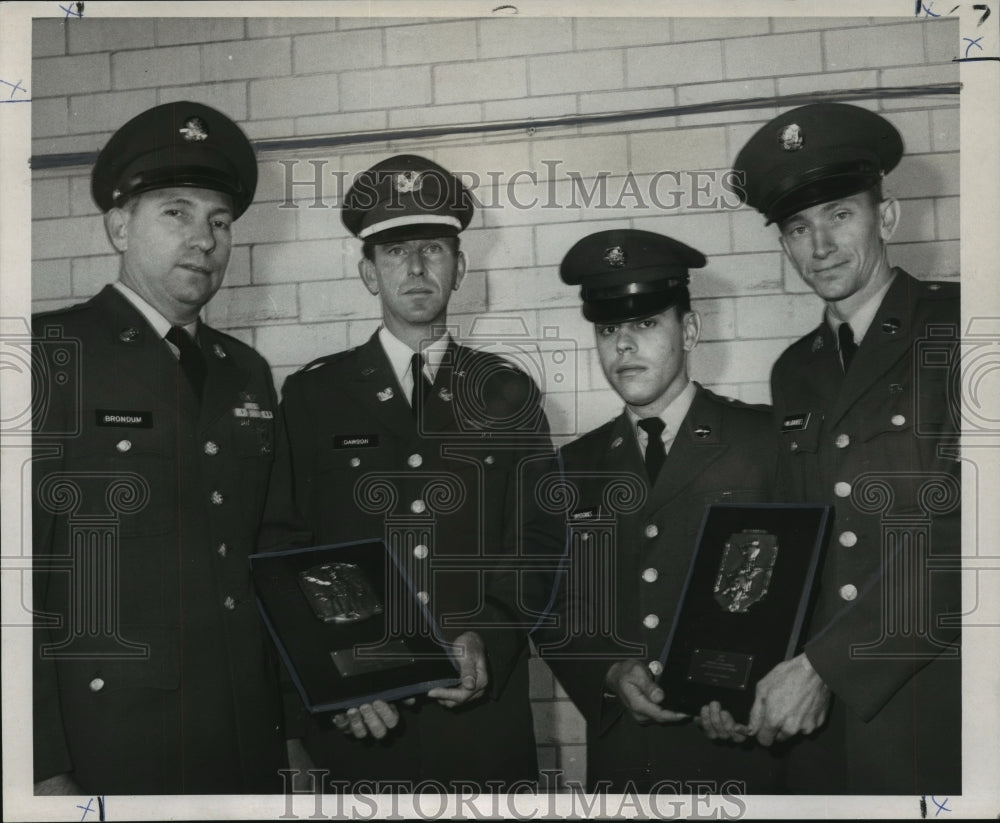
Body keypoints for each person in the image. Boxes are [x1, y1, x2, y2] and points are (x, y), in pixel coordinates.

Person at [258, 154, 561, 791]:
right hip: (364, 719)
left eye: (433, 249)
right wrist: (330, 683)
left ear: (460, 267)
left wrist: (494, 637)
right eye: (396, 251)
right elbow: (284, 548)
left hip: (481, 718)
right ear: (369, 272)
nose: (417, 268)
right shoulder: (315, 397)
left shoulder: (506, 393)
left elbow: (541, 543)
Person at [31, 102, 292, 794]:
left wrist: (302, 716)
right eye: (176, 213)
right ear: (120, 226)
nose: (203, 239)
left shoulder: (246, 371)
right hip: (113, 743)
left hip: (244, 736)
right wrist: (40, 766)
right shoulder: (51, 355)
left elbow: (275, 553)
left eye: (220, 221)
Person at [717, 102, 962, 794]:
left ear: (887, 217)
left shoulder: (965, 329)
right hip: (822, 731)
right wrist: (739, 671)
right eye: (798, 226)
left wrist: (824, 665)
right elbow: (798, 539)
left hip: (939, 707)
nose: (819, 244)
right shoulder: (795, 370)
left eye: (839, 215)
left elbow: (971, 538)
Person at [534, 228, 787, 793]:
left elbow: (807, 583)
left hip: (745, 753)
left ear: (690, 329)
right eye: (607, 329)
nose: (623, 345)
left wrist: (756, 687)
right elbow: (552, 606)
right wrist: (606, 672)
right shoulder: (573, 466)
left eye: (646, 323)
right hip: (630, 761)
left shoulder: (762, 441)